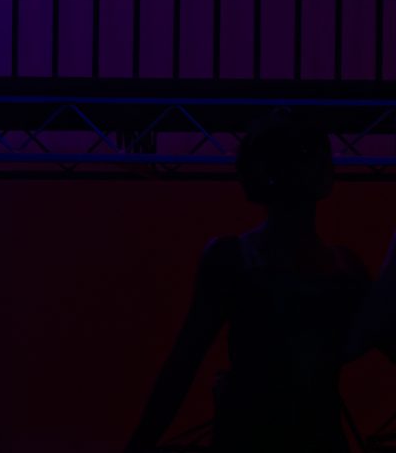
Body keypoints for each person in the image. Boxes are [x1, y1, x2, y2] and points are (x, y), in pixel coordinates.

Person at [124, 114, 376, 452]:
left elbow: (183, 362)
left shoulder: (237, 257)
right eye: (307, 155)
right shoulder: (343, 268)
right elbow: (183, 363)